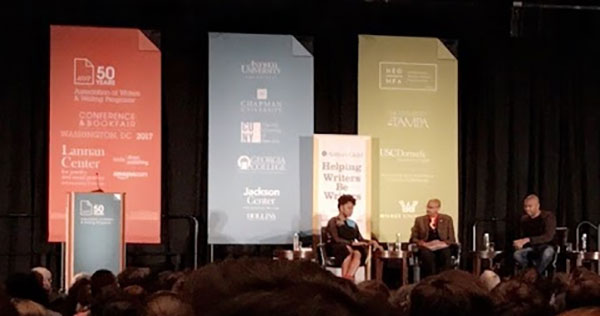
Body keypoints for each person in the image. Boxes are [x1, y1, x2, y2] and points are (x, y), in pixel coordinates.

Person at [326, 194, 382, 280]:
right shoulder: (333, 221)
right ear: (341, 208)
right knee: (347, 251)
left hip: (352, 247)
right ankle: (347, 280)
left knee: (358, 253)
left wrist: (371, 242)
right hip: (337, 247)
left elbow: (360, 239)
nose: (351, 211)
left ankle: (347, 278)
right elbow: (336, 238)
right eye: (349, 208)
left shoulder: (352, 223)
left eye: (352, 208)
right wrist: (351, 243)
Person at [409, 198, 457, 277]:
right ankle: (431, 280)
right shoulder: (419, 220)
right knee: (427, 255)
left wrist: (442, 244)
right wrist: (423, 243)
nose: (428, 210)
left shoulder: (447, 219)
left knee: (446, 254)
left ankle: (444, 280)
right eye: (428, 207)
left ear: (437, 208)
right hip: (426, 246)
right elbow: (413, 238)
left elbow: (451, 239)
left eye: (431, 208)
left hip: (442, 246)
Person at [513, 194, 557, 275]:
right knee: (517, 254)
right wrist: (519, 243)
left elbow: (548, 236)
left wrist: (529, 240)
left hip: (546, 246)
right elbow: (522, 237)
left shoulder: (547, 217)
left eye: (530, 206)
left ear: (538, 206)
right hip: (531, 248)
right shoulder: (524, 220)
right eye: (525, 206)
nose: (527, 209)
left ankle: (535, 275)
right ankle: (529, 272)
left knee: (548, 253)